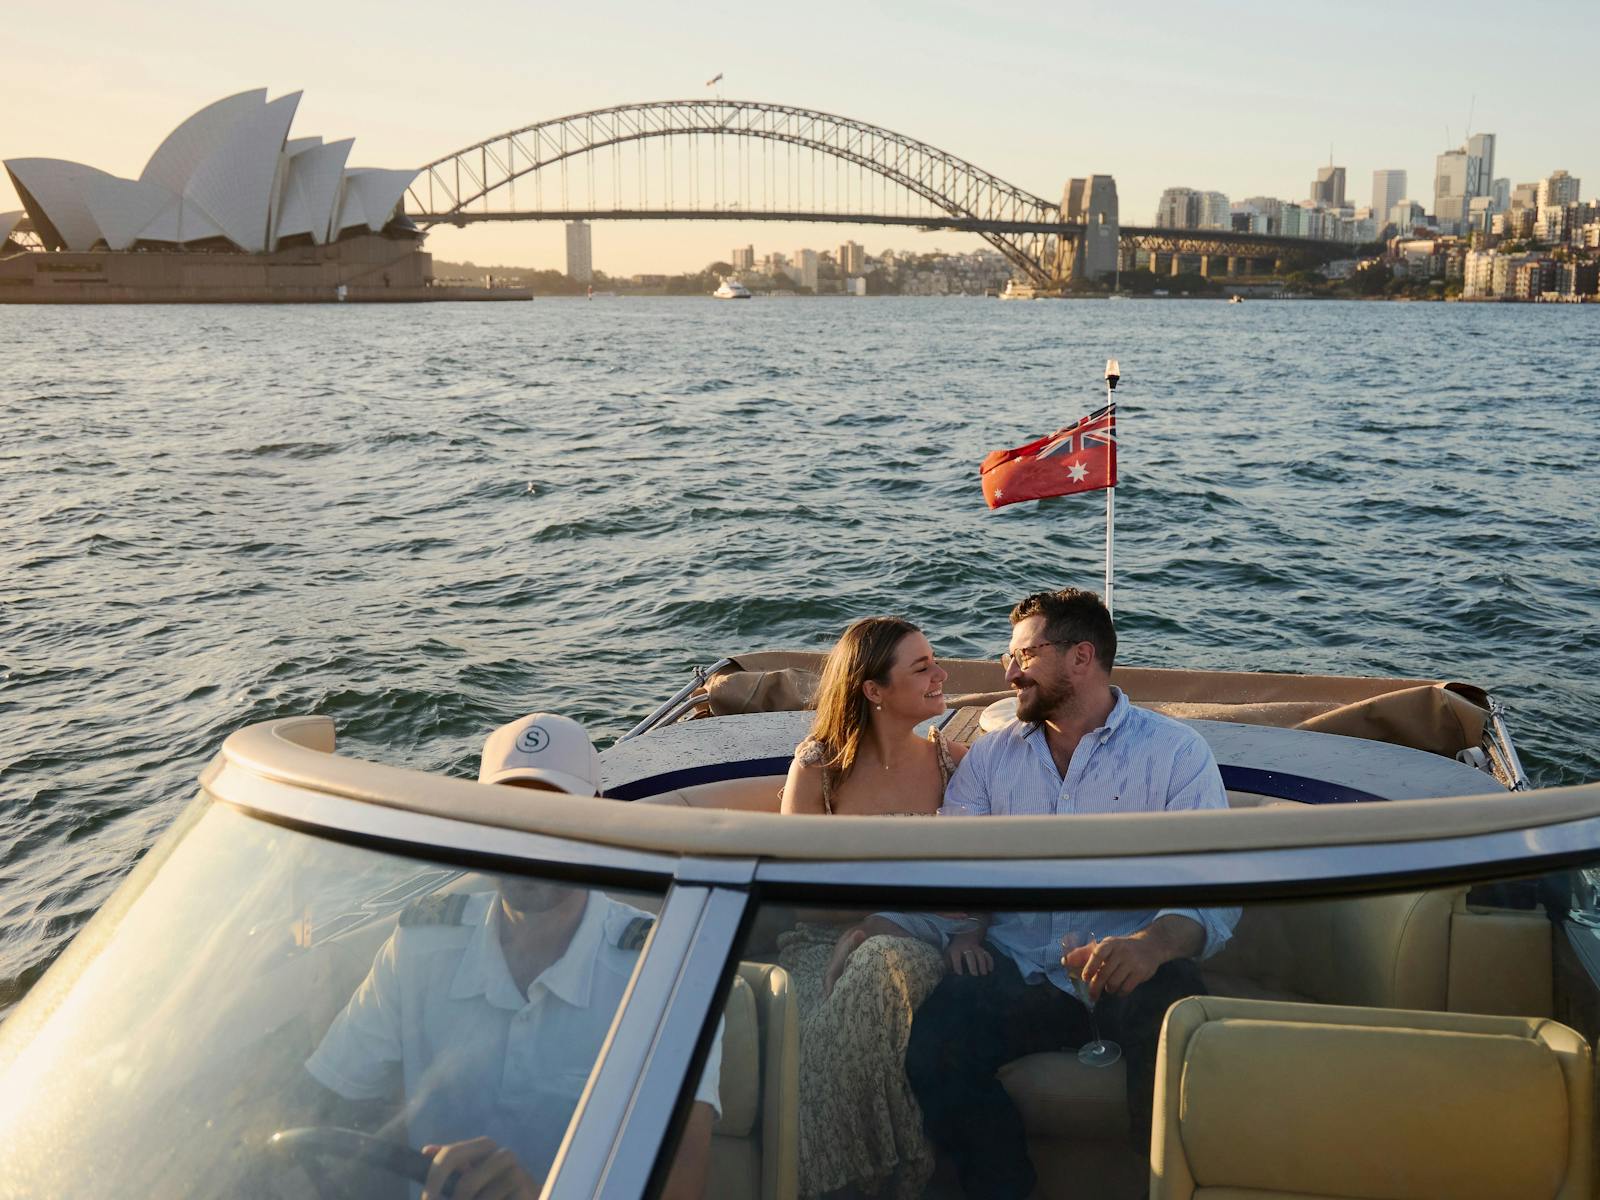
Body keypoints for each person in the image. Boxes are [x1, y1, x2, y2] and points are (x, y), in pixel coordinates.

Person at [905, 588, 1241, 1200]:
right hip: (1019, 972)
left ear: (1082, 657)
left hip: (1135, 971)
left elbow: (1215, 891)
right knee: (932, 1048)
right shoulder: (990, 758)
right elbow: (956, 866)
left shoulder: (1175, 754)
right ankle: (1001, 1185)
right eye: (1008, 657)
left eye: (1024, 656)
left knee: (1177, 1037)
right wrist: (966, 927)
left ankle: (1161, 1188)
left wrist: (1150, 944)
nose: (1008, 673)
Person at [304, 713, 720, 1200]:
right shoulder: (418, 947)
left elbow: (681, 1189)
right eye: (510, 815)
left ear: (600, 818)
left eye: (554, 817)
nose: (531, 840)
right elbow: (325, 1106)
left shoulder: (663, 973)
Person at [777, 616, 991, 1200]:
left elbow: (987, 880)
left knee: (882, 963)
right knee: (830, 996)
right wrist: (875, 909)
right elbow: (799, 892)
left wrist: (896, 918)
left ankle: (830, 1183)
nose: (941, 674)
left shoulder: (958, 764)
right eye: (921, 667)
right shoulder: (819, 767)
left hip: (919, 943)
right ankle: (882, 1174)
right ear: (873, 690)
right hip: (821, 945)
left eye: (935, 661)